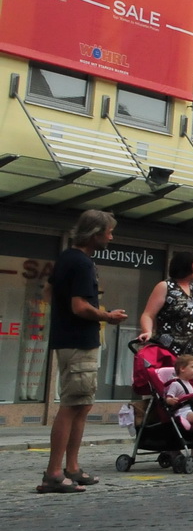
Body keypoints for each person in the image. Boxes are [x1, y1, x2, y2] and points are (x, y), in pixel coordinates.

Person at [39, 210, 125, 494]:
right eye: (108, 232)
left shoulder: (66, 257)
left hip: (69, 338)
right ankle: (54, 472)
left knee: (82, 405)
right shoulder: (82, 263)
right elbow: (79, 306)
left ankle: (72, 468)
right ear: (95, 233)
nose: (111, 237)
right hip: (79, 342)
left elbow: (48, 293)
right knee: (72, 406)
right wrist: (107, 316)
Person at [139, 251, 193, 359]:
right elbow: (148, 314)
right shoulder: (165, 287)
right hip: (169, 351)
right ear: (186, 266)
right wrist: (147, 331)